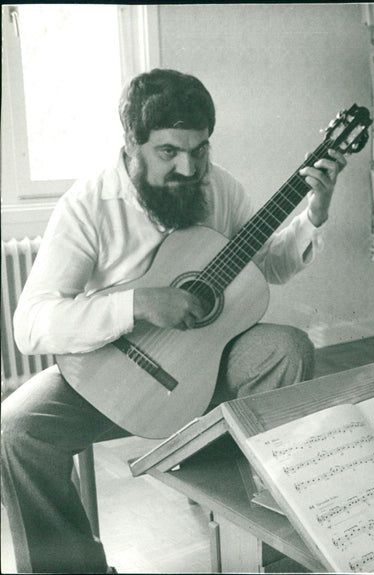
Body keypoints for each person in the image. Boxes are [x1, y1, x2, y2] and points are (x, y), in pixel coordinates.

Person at [2, 68, 347, 573]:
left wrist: (315, 212)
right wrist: (137, 304)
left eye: (200, 149)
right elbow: (31, 324)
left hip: (205, 368)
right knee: (14, 432)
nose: (189, 168)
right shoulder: (88, 205)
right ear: (132, 145)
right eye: (169, 153)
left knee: (288, 348)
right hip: (109, 374)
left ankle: (261, 535)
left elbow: (269, 264)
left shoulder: (219, 187)